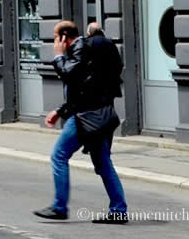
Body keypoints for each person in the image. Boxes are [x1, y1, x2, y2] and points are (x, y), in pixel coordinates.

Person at [34, 21, 127, 224]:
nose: (54, 43)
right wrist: (60, 111)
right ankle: (119, 210)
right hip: (98, 114)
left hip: (86, 117)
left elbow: (69, 74)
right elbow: (82, 88)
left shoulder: (80, 49)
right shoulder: (85, 50)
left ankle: (59, 207)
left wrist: (58, 56)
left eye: (55, 38)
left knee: (58, 156)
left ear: (64, 37)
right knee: (103, 163)